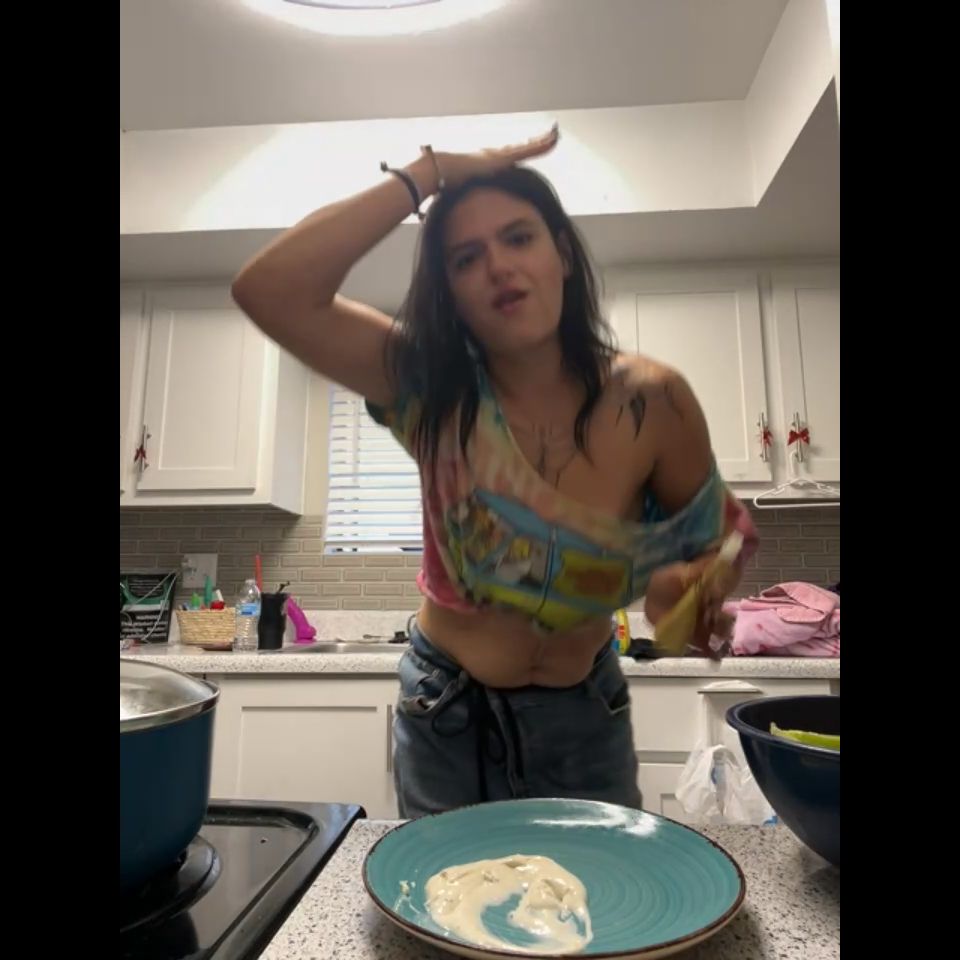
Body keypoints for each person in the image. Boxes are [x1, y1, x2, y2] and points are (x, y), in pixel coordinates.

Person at [231, 126, 758, 817]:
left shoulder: (654, 401)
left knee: (597, 884)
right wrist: (430, 171)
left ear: (561, 253)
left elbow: (713, 544)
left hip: (584, 718)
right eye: (466, 257)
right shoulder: (429, 389)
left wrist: (690, 587)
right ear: (449, 291)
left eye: (518, 238)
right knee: (444, 887)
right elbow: (268, 289)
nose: (499, 266)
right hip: (444, 711)